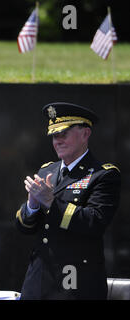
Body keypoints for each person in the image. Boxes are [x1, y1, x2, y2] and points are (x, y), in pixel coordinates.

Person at [16, 102, 121, 300]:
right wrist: (32, 205)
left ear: (85, 133)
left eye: (63, 133)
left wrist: (50, 201)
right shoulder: (47, 170)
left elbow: (95, 222)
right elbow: (25, 228)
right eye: (54, 136)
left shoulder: (103, 175)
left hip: (75, 280)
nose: (58, 141)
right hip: (38, 278)